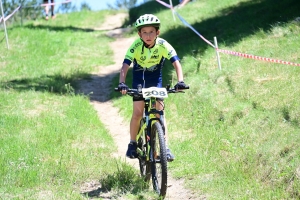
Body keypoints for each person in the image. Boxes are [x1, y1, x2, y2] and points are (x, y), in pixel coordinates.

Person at [117, 14, 188, 161]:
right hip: (139, 82)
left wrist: (180, 81)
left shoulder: (163, 45)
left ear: (158, 33)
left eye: (151, 32)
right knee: (137, 113)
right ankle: (132, 143)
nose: (148, 35)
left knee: (160, 114)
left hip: (156, 83)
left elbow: (176, 63)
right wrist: (122, 83)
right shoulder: (135, 46)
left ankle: (165, 147)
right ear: (139, 34)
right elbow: (125, 65)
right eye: (144, 32)